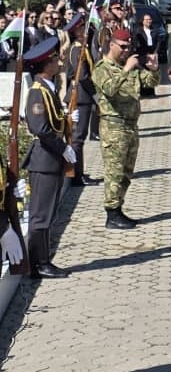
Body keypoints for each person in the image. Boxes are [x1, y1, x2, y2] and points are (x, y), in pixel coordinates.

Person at [92, 28, 160, 229]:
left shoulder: (129, 65)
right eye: (122, 47)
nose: (125, 50)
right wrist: (126, 70)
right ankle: (111, 213)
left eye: (128, 47)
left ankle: (119, 208)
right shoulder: (102, 68)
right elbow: (110, 90)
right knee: (114, 172)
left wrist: (154, 69)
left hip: (131, 125)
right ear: (111, 45)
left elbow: (149, 83)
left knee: (126, 173)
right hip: (113, 127)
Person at [22, 37, 75, 277]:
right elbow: (40, 129)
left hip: (50, 159)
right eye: (54, 59)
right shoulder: (37, 93)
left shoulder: (47, 89)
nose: (58, 61)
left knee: (48, 212)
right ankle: (37, 264)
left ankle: (43, 260)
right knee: (40, 215)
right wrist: (63, 148)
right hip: (44, 160)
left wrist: (65, 121)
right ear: (46, 65)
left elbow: (51, 122)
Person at [63, 14, 101, 186]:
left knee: (80, 136)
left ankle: (79, 172)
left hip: (83, 96)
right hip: (80, 97)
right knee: (78, 137)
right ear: (76, 30)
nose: (86, 29)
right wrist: (96, 94)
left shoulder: (81, 47)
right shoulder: (77, 49)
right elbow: (82, 76)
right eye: (82, 27)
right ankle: (77, 175)